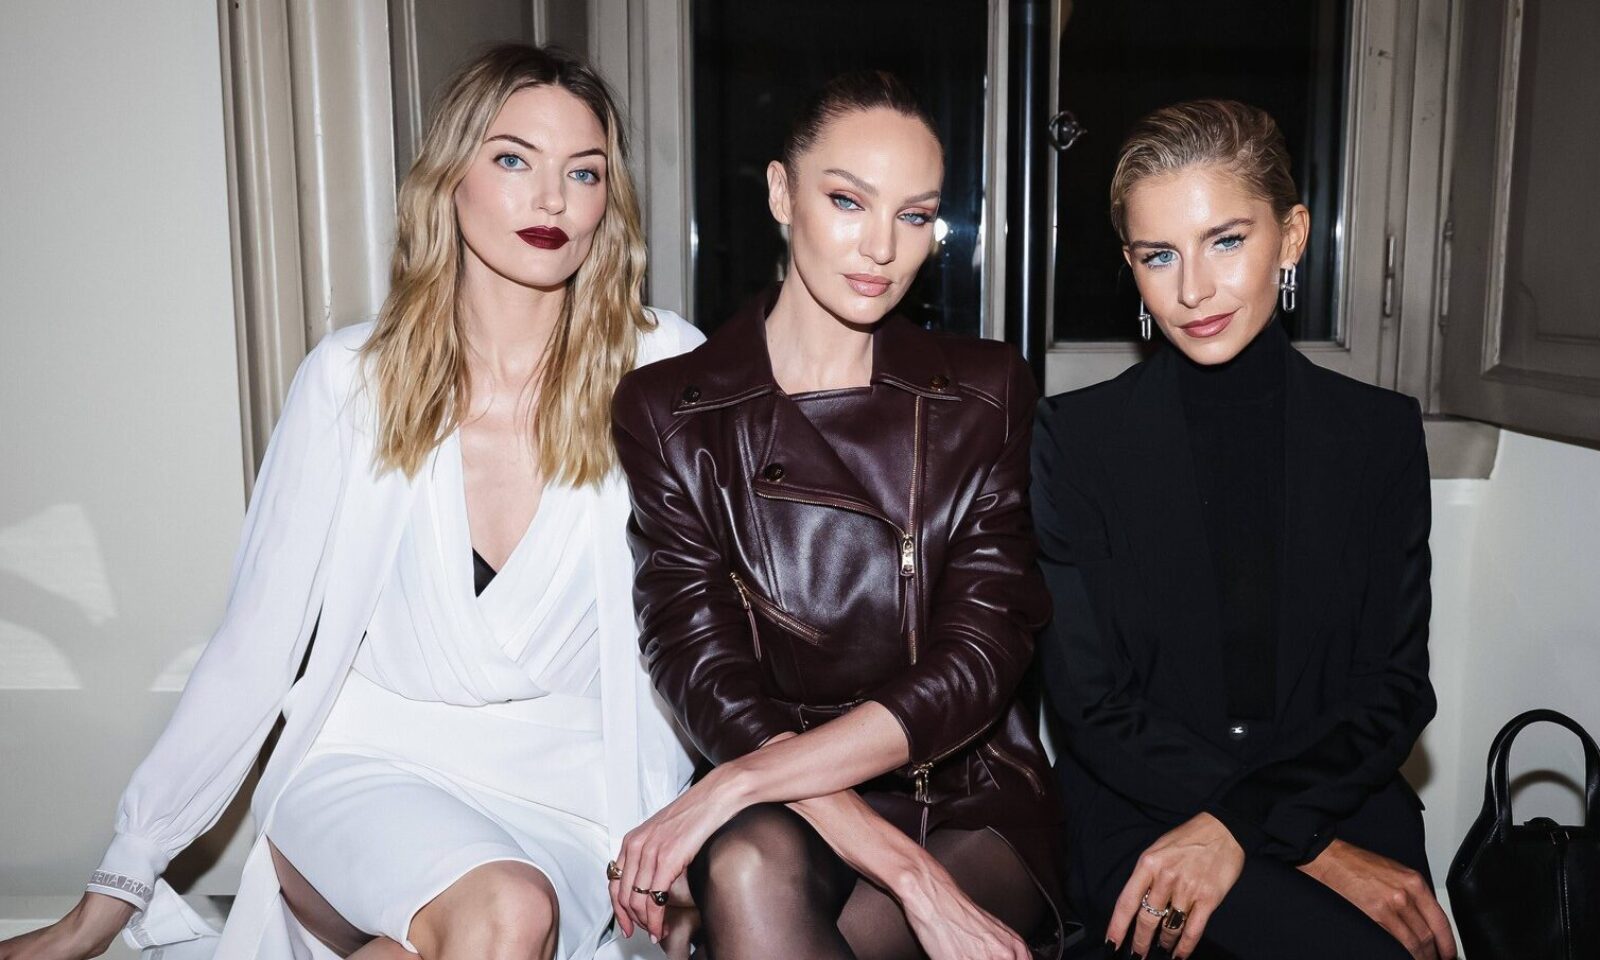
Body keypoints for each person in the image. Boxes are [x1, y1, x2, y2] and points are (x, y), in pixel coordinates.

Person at [0, 44, 698, 960]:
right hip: (368, 768)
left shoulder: (662, 371)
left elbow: (716, 623)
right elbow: (256, 645)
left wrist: (703, 812)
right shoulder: (353, 381)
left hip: (572, 800)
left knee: (467, 925)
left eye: (584, 172)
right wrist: (121, 879)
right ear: (449, 179)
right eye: (513, 159)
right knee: (505, 911)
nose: (552, 199)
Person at [606, 71, 1067, 960]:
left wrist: (727, 786)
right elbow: (698, 665)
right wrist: (904, 871)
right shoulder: (670, 412)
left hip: (963, 796)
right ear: (782, 194)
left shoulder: (984, 394)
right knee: (750, 867)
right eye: (848, 201)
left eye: (915, 215)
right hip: (784, 802)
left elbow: (982, 658)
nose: (882, 247)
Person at [1031, 99, 1456, 960]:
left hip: (1337, 797)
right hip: (1146, 812)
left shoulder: (1377, 433)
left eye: (1225, 241)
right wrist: (1300, 845)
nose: (1192, 290)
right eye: (1159, 255)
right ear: (1131, 266)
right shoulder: (1076, 440)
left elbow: (1394, 686)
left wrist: (1249, 823)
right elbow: (1092, 705)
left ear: (1291, 237)